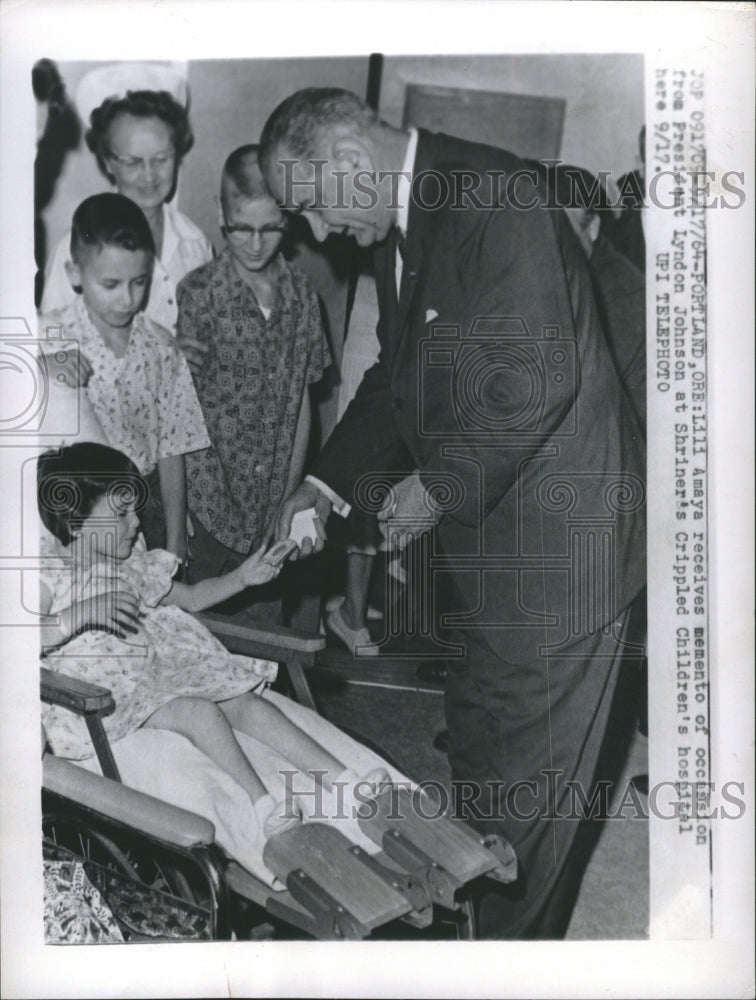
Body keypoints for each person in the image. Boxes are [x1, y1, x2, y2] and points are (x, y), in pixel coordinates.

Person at [259, 88, 646, 938]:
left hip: (558, 549)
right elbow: (399, 378)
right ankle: (479, 929)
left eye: (313, 204)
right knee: (481, 747)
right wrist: (325, 486)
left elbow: (533, 378)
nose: (318, 232)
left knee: (529, 793)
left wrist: (432, 488)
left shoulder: (493, 198)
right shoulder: (420, 213)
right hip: (496, 535)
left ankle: (508, 963)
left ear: (350, 161)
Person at [38, 442, 392, 881]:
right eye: (121, 513)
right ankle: (264, 803)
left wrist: (246, 576)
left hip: (165, 666)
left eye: (135, 511)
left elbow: (190, 597)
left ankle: (344, 781)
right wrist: (81, 614)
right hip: (113, 698)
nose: (135, 523)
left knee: (245, 700)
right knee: (200, 711)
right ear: (75, 520)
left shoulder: (129, 563)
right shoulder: (49, 573)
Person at [174, 145, 330, 623]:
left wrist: (288, 494)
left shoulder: (304, 296)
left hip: (268, 513)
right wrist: (177, 514)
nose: (257, 243)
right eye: (242, 228)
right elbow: (178, 410)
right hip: (206, 504)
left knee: (261, 646)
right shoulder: (198, 293)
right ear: (221, 212)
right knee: (194, 638)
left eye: (271, 228)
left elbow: (303, 402)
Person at [39, 191, 210, 562]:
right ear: (74, 273)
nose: (127, 299)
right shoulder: (53, 334)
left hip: (145, 502)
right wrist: (42, 366)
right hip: (81, 508)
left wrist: (176, 537)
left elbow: (171, 449)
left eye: (139, 282)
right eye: (111, 285)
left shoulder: (163, 347)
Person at [40, 63, 213, 333]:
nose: (149, 176)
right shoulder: (77, 245)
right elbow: (50, 339)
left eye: (161, 159)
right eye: (132, 162)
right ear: (108, 161)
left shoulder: (195, 243)